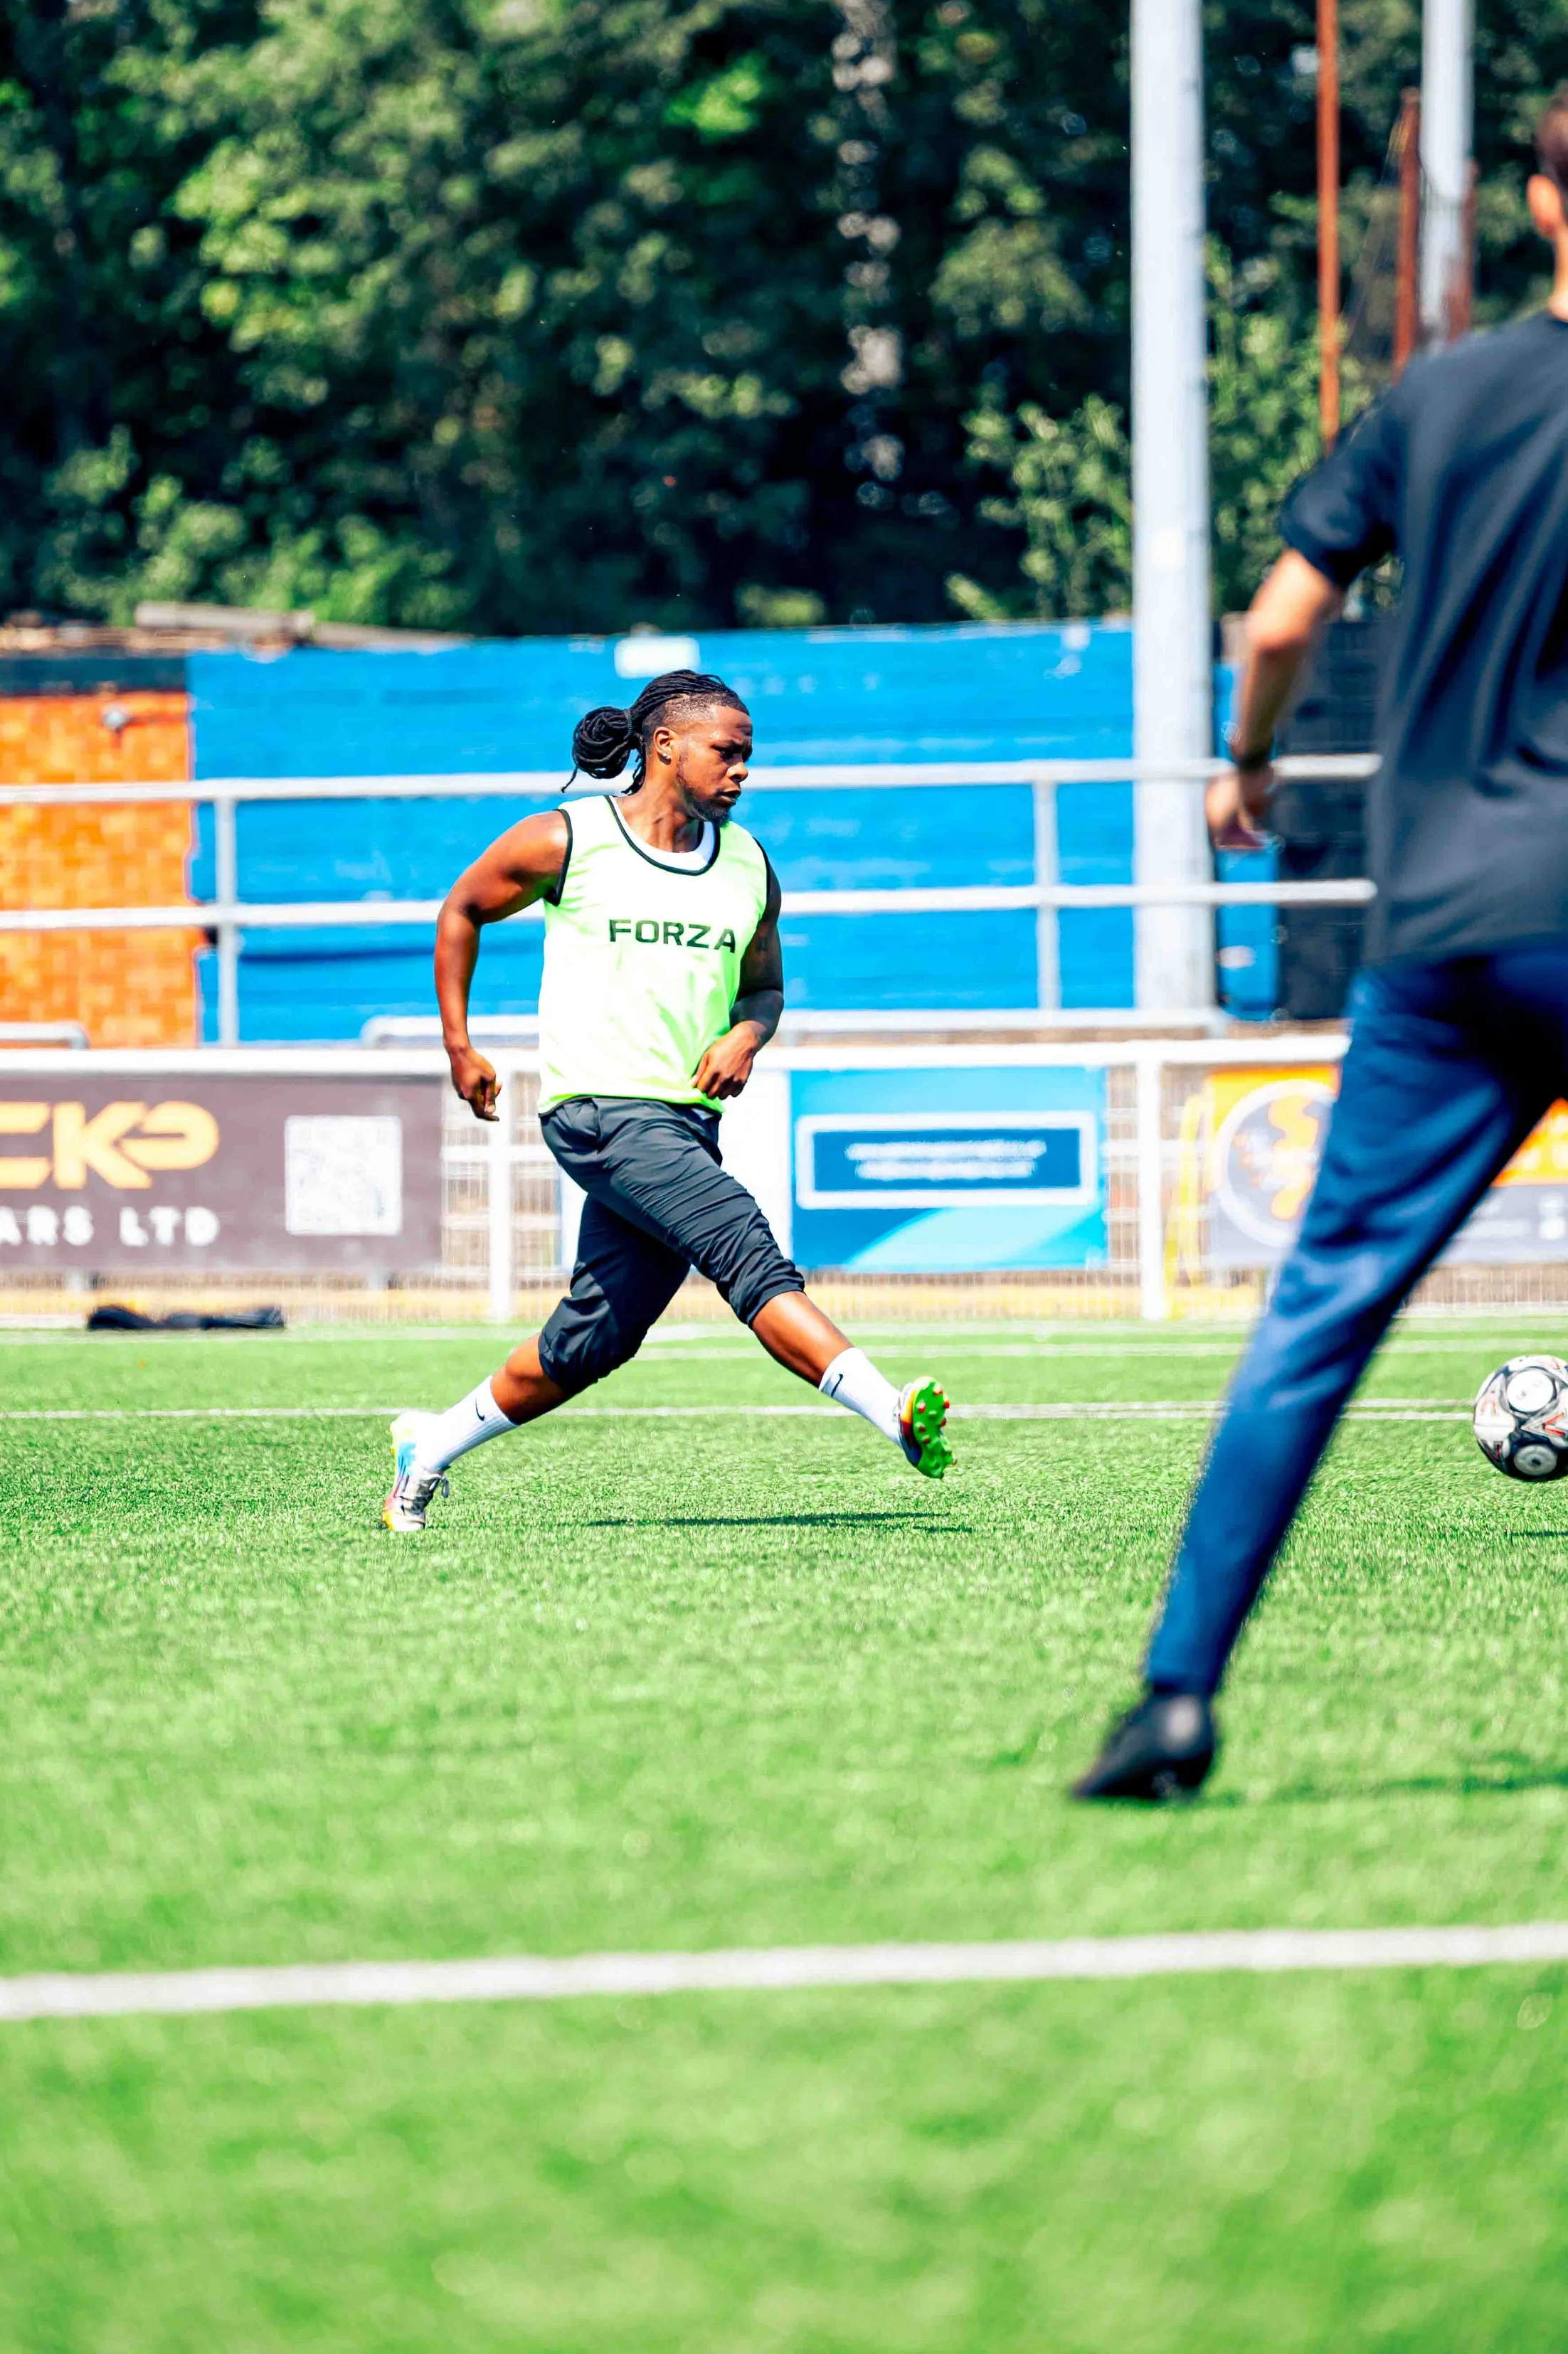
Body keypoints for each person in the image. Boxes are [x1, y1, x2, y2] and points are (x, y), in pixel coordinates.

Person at [1078, 87, 1568, 1801]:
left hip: (1446, 921)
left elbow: (1282, 610)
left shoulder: (1439, 396)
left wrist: (1251, 757)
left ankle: (1176, 1698)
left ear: (1538, 197)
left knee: (1320, 1309)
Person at [382, 667, 955, 1529]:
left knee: (591, 1343)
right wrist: (460, 1045)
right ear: (663, 747)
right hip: (598, 1113)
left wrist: (745, 1036)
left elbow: (764, 991)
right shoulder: (565, 839)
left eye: (748, 756)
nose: (743, 771)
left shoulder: (751, 867)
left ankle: (425, 1451)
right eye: (727, 752)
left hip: (684, 1126)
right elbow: (461, 909)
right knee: (743, 1246)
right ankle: (892, 1412)